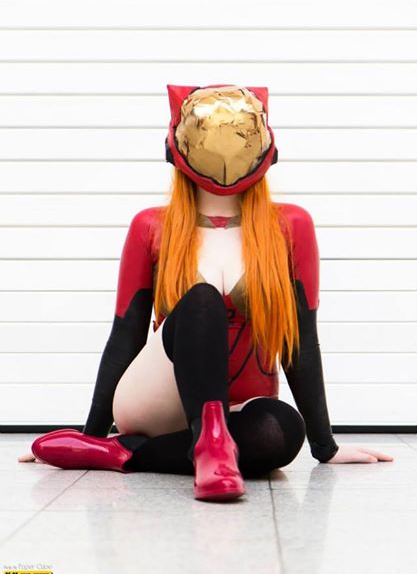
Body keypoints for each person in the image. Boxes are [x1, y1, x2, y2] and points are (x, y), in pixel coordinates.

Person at [18, 84, 393, 501]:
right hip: (156, 401)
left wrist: (325, 446)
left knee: (281, 432)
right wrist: (90, 430)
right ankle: (208, 449)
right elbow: (125, 335)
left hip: (240, 406)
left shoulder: (290, 226)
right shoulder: (151, 227)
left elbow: (300, 340)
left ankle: (126, 453)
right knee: (202, 300)